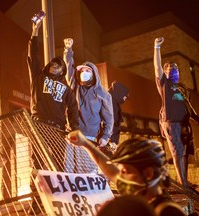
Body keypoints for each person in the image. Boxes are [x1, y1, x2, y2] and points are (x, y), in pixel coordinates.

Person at [65, 130, 186, 216]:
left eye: (124, 171)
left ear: (148, 174)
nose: (119, 177)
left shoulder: (166, 212)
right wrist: (85, 143)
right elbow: (110, 170)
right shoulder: (141, 195)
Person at [27, 18, 79, 215]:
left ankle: (55, 203)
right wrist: (35, 31)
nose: (56, 67)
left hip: (58, 128)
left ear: (63, 70)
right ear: (48, 66)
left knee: (57, 164)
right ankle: (36, 204)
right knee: (38, 163)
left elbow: (73, 108)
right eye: (53, 64)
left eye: (59, 66)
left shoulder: (66, 87)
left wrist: (73, 127)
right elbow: (34, 55)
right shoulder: (39, 77)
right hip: (39, 124)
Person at [153, 37, 199, 189]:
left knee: (184, 153)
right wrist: (157, 47)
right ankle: (183, 183)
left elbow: (188, 107)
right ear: (165, 73)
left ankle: (183, 181)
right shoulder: (165, 85)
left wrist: (195, 118)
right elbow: (157, 67)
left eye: (176, 68)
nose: (174, 70)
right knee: (177, 152)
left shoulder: (182, 89)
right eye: (170, 68)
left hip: (184, 124)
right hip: (172, 124)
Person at [63, 38, 114, 173]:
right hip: (72, 133)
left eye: (87, 70)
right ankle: (73, 194)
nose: (84, 73)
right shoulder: (76, 87)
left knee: (87, 171)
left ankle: (90, 194)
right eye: (82, 70)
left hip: (89, 137)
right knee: (69, 170)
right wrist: (68, 50)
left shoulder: (103, 94)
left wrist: (105, 136)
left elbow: (108, 118)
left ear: (94, 74)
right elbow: (69, 68)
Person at [100, 81, 129, 157]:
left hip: (107, 141)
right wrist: (112, 140)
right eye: (124, 96)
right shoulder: (110, 103)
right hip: (107, 142)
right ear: (119, 93)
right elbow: (109, 122)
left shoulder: (113, 102)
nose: (125, 98)